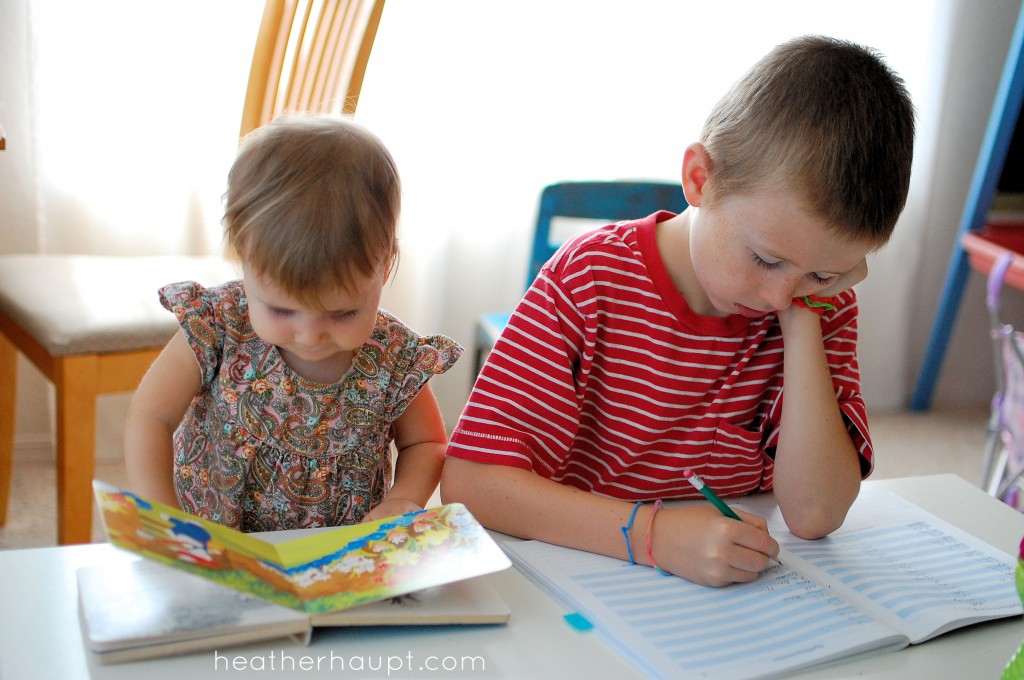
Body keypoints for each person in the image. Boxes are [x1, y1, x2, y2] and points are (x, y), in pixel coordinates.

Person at [441, 35, 915, 586]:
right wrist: (653, 535)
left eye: (823, 274)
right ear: (698, 178)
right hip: (585, 580)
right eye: (765, 259)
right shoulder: (589, 277)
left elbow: (815, 514)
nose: (780, 297)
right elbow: (471, 484)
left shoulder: (813, 307)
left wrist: (805, 322)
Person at [125, 114, 462, 531]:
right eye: (282, 310)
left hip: (336, 554)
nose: (310, 334)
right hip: (216, 545)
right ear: (244, 260)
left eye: (342, 313)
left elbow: (426, 442)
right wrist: (160, 511)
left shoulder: (392, 356)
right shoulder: (220, 324)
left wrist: (405, 497)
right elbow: (151, 415)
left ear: (385, 265)